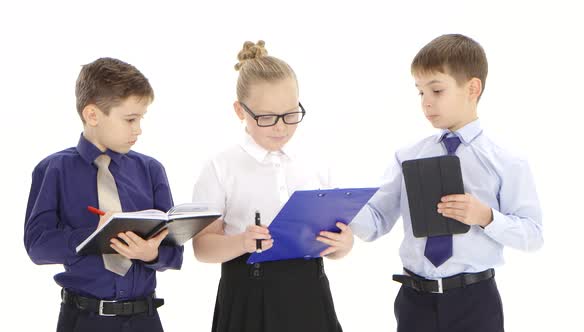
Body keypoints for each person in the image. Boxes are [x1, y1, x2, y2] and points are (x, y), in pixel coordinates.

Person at [350, 34, 543, 332]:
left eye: (437, 90)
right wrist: (342, 208)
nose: (426, 103)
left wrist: (486, 217)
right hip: (415, 302)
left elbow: (533, 235)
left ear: (472, 88)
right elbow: (376, 222)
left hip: (475, 302)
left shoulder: (507, 162)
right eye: (420, 93)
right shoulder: (408, 157)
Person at [192, 40, 352, 332]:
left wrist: (344, 245)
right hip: (248, 296)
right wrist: (241, 242)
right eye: (267, 118)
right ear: (240, 111)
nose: (281, 127)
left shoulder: (313, 162)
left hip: (310, 294)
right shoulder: (221, 166)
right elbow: (202, 247)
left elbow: (336, 243)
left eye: (291, 115)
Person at [24, 57, 183, 332]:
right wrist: (93, 235)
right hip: (83, 319)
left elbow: (175, 252)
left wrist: (150, 254)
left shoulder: (151, 170)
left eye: (141, 119)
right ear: (93, 115)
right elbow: (37, 246)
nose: (138, 129)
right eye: (130, 119)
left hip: (144, 319)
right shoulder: (54, 170)